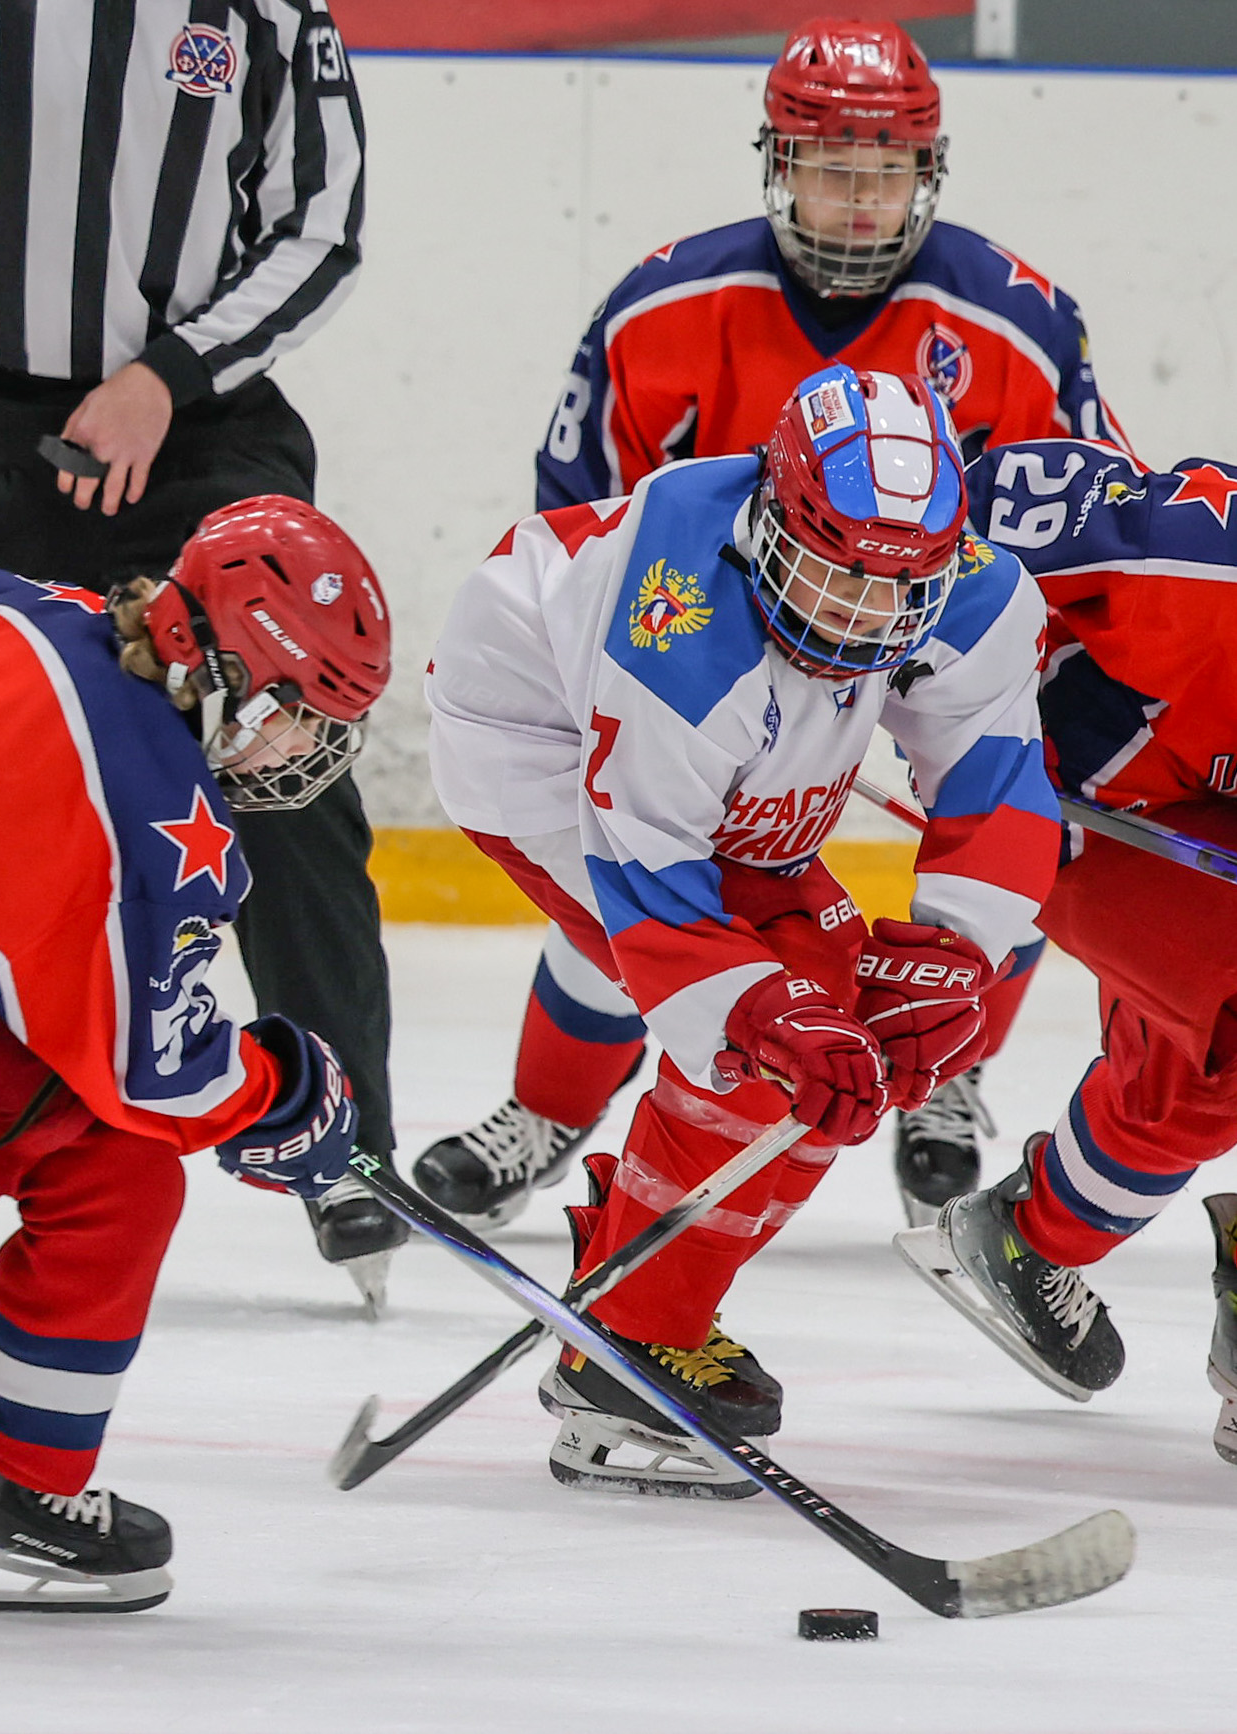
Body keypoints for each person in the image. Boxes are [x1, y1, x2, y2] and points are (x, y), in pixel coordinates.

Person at [412, 15, 1129, 1235]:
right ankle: (549, 1110)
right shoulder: (664, 306)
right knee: (635, 846)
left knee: (1020, 823)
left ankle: (943, 1066)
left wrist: (1027, 701)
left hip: (927, 626)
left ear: (929, 174)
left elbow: (1078, 520)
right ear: (776, 162)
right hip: (708, 643)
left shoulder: (1017, 322)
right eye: (830, 169)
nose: (859, 203)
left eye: (887, 173)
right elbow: (587, 518)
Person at [426, 364, 1061, 1493]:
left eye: (896, 587)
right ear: (772, 520)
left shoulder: (965, 586)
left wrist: (957, 954)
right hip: (544, 747)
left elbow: (997, 773)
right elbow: (650, 862)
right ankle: (626, 1343)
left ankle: (638, 1305)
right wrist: (763, 1011)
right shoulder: (676, 628)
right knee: (769, 1052)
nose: (863, 615)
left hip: (706, 771)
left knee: (845, 1051)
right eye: (836, 574)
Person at [0, 2, 405, 1296]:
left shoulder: (267, 11)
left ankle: (347, 1145)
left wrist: (167, 376)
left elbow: (321, 226)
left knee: (288, 748)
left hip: (196, 427)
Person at [0, 495, 391, 1611]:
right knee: (116, 1159)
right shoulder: (146, 816)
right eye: (296, 713)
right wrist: (292, 1096)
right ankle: (14, 1488)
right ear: (228, 674)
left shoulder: (35, 610)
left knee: (0, 1068)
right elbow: (164, 1082)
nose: (304, 749)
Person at [896, 435, 1237, 1456]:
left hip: (1201, 810)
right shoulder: (1198, 557)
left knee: (1200, 1074)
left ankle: (1029, 1238)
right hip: (1081, 799)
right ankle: (1034, 1235)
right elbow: (962, 513)